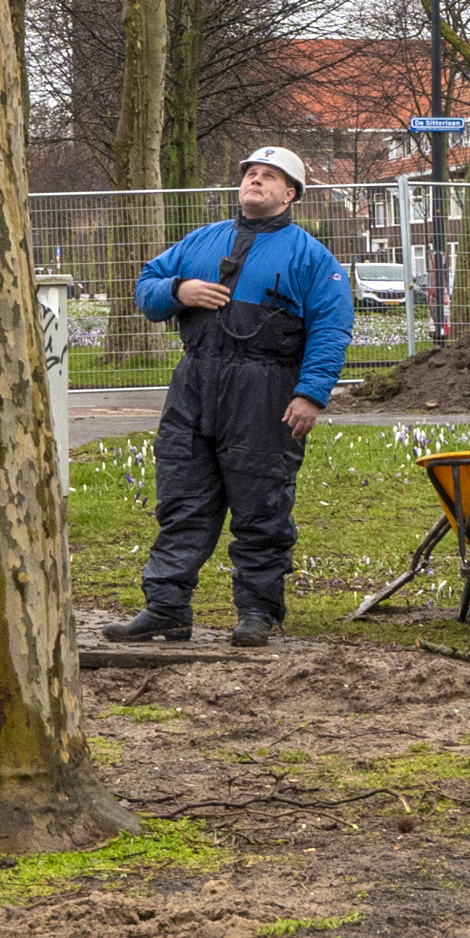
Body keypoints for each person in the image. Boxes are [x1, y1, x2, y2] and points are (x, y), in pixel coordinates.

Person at [107, 145, 352, 648]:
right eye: (251, 174)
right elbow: (146, 284)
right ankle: (166, 608)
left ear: (291, 194)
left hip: (266, 390)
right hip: (194, 385)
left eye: (269, 177)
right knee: (181, 498)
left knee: (262, 503)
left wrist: (310, 394)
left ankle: (257, 613)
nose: (255, 182)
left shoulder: (312, 258)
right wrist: (180, 290)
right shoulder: (202, 241)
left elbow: (332, 328)